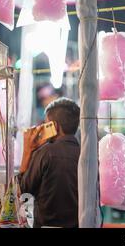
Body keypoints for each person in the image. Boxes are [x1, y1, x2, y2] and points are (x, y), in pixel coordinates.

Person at [19, 97, 80, 228]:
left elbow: (23, 192)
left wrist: (27, 150)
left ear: (54, 126)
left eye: (46, 124)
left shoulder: (46, 153)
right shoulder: (86, 155)